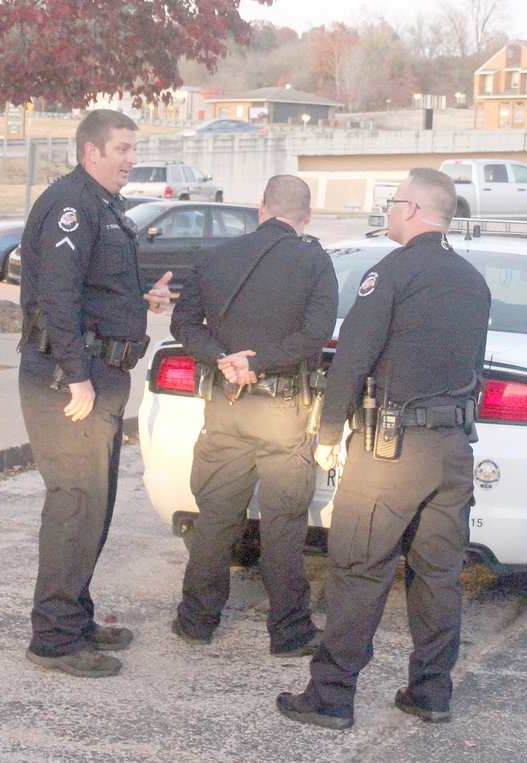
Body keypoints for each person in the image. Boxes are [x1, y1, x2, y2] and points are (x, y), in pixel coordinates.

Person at [276, 167, 491, 729]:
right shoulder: (474, 281)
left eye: (393, 201)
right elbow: (476, 367)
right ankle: (431, 692)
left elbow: (353, 358)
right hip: (452, 450)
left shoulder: (390, 273)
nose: (388, 210)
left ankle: (329, 697)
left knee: (358, 569)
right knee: (438, 576)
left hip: (391, 454)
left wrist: (327, 434)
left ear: (415, 209)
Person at [19, 109, 172, 678]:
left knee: (95, 507)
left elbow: (94, 286)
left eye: (134, 148)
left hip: (100, 373)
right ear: (91, 151)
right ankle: (54, 639)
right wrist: (77, 374)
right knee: (75, 505)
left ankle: (75, 618)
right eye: (124, 149)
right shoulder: (70, 204)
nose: (132, 159)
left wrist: (140, 299)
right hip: (68, 380)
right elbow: (58, 297)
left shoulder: (105, 205)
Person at [170, 175, 338, 657]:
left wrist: (225, 359)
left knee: (216, 518)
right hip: (282, 411)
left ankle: (196, 621)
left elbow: (183, 325)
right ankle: (289, 631)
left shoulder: (216, 256)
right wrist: (257, 362)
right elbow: (315, 336)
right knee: (283, 523)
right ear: (306, 216)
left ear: (260, 207)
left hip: (226, 405)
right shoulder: (315, 261)